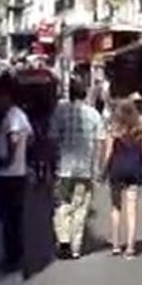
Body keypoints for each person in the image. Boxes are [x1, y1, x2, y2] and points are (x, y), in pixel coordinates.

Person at [49, 76, 105, 260]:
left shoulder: (60, 112)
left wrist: (51, 162)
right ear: (84, 93)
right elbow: (100, 141)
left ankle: (63, 239)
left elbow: (52, 138)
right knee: (80, 207)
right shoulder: (94, 114)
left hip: (64, 167)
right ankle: (75, 247)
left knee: (62, 204)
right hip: (85, 168)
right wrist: (98, 167)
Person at [0, 72, 33, 273]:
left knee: (9, 218)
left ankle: (12, 256)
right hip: (15, 172)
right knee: (11, 218)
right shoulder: (18, 115)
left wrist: (7, 159)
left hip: (10, 175)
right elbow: (30, 138)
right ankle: (14, 253)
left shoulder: (13, 115)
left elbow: (14, 139)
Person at [103, 99, 142, 260]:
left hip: (117, 171)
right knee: (131, 210)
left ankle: (116, 245)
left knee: (116, 208)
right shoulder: (140, 131)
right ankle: (130, 248)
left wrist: (103, 170)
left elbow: (108, 153)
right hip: (134, 172)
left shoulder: (113, 131)